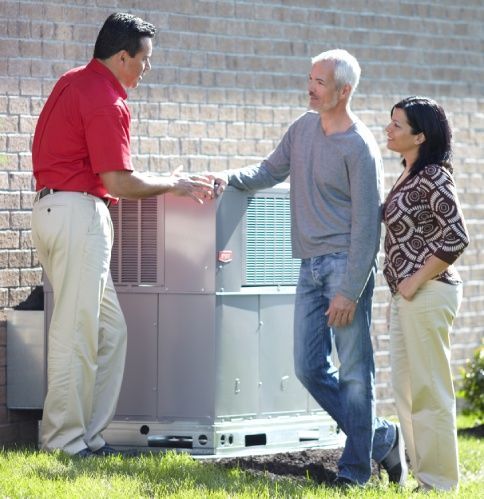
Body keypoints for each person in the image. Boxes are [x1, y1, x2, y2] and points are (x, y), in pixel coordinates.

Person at [211, 49, 407, 487]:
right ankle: (382, 438)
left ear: (344, 90)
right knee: (308, 367)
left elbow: (366, 226)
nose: (311, 87)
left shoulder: (359, 147)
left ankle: (355, 474)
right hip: (309, 265)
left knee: (355, 371)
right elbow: (268, 170)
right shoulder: (301, 129)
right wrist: (223, 178)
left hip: (345, 268)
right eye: (311, 79)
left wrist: (350, 290)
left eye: (320, 82)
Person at [31, 12, 214, 457]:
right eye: (144, 59)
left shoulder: (72, 81)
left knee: (109, 334)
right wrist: (175, 184)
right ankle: (64, 444)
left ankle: (89, 437)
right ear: (121, 56)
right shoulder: (107, 99)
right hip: (79, 217)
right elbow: (118, 182)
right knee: (77, 334)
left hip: (55, 211)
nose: (146, 69)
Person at [383, 96, 469, 491]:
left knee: (429, 390)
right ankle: (423, 477)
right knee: (405, 389)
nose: (389, 129)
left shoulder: (434, 175)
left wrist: (415, 280)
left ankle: (440, 483)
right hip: (405, 298)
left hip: (429, 293)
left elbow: (456, 238)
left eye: (398, 125)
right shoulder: (407, 172)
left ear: (420, 136)